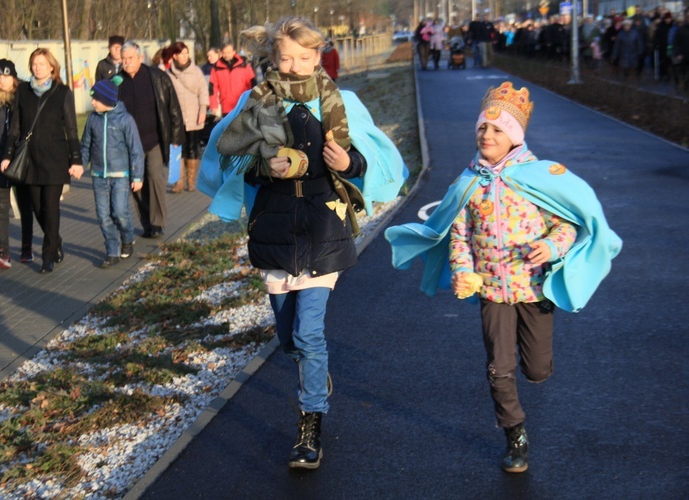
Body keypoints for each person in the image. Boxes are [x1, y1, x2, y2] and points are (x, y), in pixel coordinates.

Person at [198, 15, 408, 470]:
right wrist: (262, 168)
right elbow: (231, 158)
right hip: (274, 228)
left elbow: (371, 158)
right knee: (288, 335)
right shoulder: (256, 104)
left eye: (304, 58)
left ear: (318, 57)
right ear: (272, 59)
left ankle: (310, 422)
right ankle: (314, 375)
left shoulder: (341, 102)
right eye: (285, 58)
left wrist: (347, 160)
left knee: (310, 332)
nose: (294, 66)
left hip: (322, 226)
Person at [385, 82, 622, 474]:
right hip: (492, 290)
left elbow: (566, 225)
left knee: (537, 370)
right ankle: (515, 434)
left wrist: (553, 247)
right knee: (499, 365)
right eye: (482, 128)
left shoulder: (537, 177)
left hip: (532, 289)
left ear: (513, 136)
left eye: (497, 130)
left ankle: (537, 368)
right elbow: (458, 235)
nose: (487, 135)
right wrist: (462, 271)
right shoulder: (469, 183)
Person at [2, 48, 84, 274]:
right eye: (34, 64)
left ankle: (48, 256)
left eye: (41, 63)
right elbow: (15, 127)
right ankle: (55, 239)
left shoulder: (62, 92)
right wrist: (8, 154)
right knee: (38, 208)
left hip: (55, 159)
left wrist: (76, 159)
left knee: (51, 207)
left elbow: (71, 129)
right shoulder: (23, 92)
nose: (37, 67)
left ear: (51, 67)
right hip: (31, 160)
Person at [118, 40, 184, 238]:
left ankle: (158, 223)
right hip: (130, 145)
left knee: (155, 178)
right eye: (123, 59)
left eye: (130, 58)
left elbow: (173, 109)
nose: (127, 62)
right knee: (136, 186)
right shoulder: (117, 82)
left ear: (140, 58)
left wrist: (176, 137)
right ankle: (146, 223)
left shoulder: (157, 77)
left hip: (154, 140)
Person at [81, 78, 144, 268]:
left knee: (120, 212)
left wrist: (138, 176)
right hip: (99, 175)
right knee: (103, 215)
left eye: (96, 99)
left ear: (107, 99)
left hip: (120, 175)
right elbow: (85, 145)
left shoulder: (125, 120)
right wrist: (80, 165)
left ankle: (127, 237)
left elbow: (136, 150)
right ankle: (112, 250)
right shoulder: (93, 119)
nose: (92, 102)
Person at [0, 59, 35, 268]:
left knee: (25, 205)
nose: (3, 81)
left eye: (7, 76)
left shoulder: (24, 97)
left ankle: (27, 248)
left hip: (20, 159)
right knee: (1, 207)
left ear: (14, 77)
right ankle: (3, 251)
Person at [167, 41, 209, 192]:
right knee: (177, 149)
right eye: (181, 54)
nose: (185, 56)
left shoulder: (196, 71)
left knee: (192, 148)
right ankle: (178, 181)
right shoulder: (169, 74)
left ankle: (191, 181)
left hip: (194, 115)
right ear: (175, 56)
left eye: (186, 53)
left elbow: (203, 91)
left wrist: (203, 111)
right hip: (176, 119)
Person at [208, 43, 256, 116]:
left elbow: (252, 84)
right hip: (226, 106)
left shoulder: (244, 65)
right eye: (224, 53)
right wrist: (214, 105)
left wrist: (253, 101)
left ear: (234, 52)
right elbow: (212, 88)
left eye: (229, 52)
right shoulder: (216, 68)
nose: (226, 55)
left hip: (243, 105)